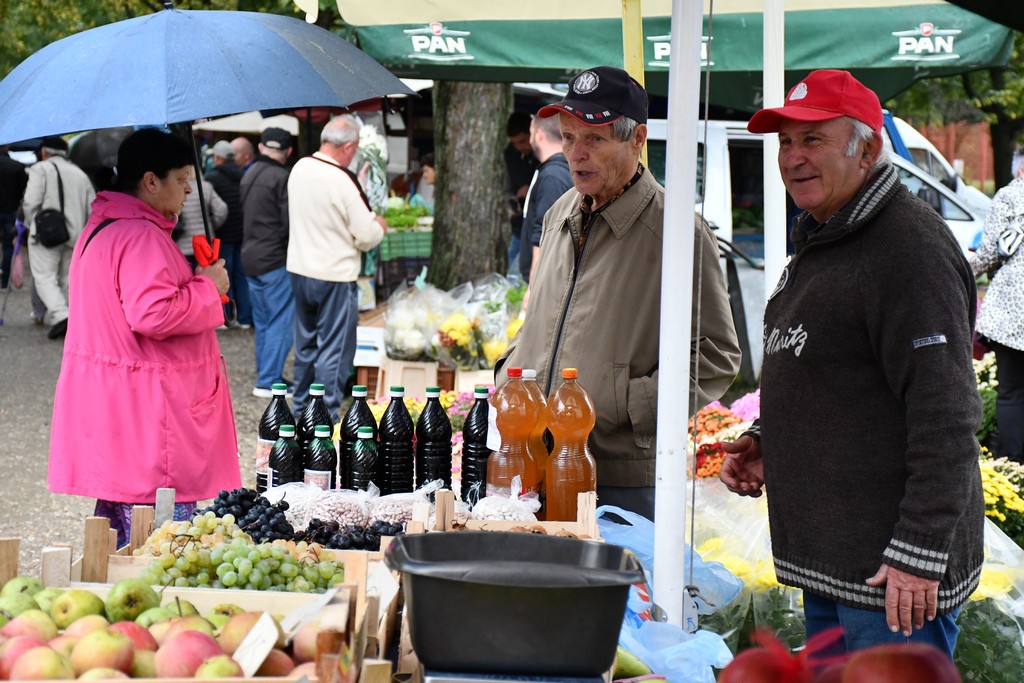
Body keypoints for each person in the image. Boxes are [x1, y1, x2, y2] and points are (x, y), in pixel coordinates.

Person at [719, 70, 984, 658]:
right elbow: (840, 373)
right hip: (842, 563)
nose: (793, 157)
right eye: (786, 142)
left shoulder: (907, 248)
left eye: (813, 139)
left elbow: (947, 413)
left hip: (890, 580)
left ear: (866, 149)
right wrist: (772, 438)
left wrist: (918, 552)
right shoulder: (828, 233)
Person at [497, 66, 741, 519]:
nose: (577, 154)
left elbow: (717, 355)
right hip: (530, 459)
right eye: (569, 138)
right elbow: (545, 318)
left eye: (595, 139)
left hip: (615, 472)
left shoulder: (676, 231)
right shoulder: (560, 212)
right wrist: (509, 370)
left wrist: (622, 405)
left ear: (637, 139)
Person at [48, 128, 240, 547]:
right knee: (161, 542)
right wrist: (208, 285)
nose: (190, 188)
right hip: (151, 415)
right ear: (151, 181)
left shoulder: (106, 226)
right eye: (183, 177)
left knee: (123, 533)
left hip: (120, 407)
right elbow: (153, 313)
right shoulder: (139, 235)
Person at [287, 114, 386, 421]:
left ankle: (300, 410)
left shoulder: (300, 167)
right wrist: (379, 224)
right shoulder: (342, 180)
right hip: (334, 275)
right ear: (348, 147)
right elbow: (366, 235)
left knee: (305, 347)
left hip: (301, 269)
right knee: (335, 350)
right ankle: (323, 419)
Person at [969, 151, 1024, 463]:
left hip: (1014, 314)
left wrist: (960, 269)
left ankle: (1012, 464)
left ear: (1019, 171)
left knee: (1012, 392)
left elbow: (990, 253)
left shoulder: (1011, 195)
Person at [21, 136, 95, 340]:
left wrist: (30, 224)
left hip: (45, 232)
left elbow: (30, 201)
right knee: (68, 277)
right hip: (75, 234)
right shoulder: (80, 174)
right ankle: (75, 317)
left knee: (44, 276)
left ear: (44, 152)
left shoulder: (40, 169)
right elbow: (92, 207)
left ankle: (61, 314)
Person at [241, 127, 295, 398]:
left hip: (249, 255)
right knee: (281, 321)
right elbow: (289, 223)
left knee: (263, 321)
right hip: (274, 257)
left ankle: (266, 374)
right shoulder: (282, 177)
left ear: (261, 147)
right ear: (288, 151)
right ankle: (269, 380)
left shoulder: (249, 173)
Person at [520, 113, 572, 283]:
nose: (529, 140)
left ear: (539, 134)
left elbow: (543, 232)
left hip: (547, 280)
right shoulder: (558, 170)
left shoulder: (552, 175)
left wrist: (534, 285)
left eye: (531, 133)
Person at [206, 139, 251, 328]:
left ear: (218, 158)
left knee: (225, 277)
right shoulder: (243, 175)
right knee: (241, 277)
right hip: (242, 234)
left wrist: (213, 225)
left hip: (223, 235)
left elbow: (219, 210)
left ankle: (227, 317)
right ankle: (245, 318)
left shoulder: (212, 178)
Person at [505, 111, 537, 274]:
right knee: (512, 272)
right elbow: (508, 187)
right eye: (515, 144)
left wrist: (530, 188)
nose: (520, 147)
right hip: (518, 225)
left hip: (536, 224)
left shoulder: (543, 155)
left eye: (523, 141)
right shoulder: (511, 154)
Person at [175, 173, 228, 269]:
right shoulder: (205, 186)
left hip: (181, 246)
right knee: (209, 278)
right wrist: (211, 225)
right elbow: (221, 209)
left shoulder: (173, 189)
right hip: (205, 245)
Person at [0, 145, 28, 289]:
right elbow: (23, 193)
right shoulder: (17, 167)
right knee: (8, 246)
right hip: (10, 211)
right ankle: (4, 282)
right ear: (8, 146)